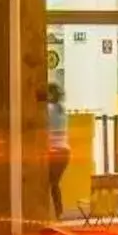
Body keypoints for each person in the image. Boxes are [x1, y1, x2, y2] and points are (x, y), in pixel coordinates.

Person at [46, 83, 70, 219]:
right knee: (54, 183)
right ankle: (58, 212)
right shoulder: (61, 109)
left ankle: (56, 213)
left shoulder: (48, 109)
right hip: (65, 151)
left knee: (50, 183)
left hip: (54, 151)